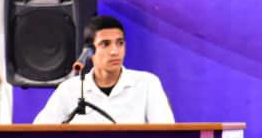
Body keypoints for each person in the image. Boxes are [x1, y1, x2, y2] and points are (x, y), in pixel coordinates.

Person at [34, 15, 175, 124]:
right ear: (89, 51)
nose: (115, 51)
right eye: (105, 44)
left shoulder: (147, 83)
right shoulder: (69, 89)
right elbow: (40, 132)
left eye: (120, 43)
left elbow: (166, 133)